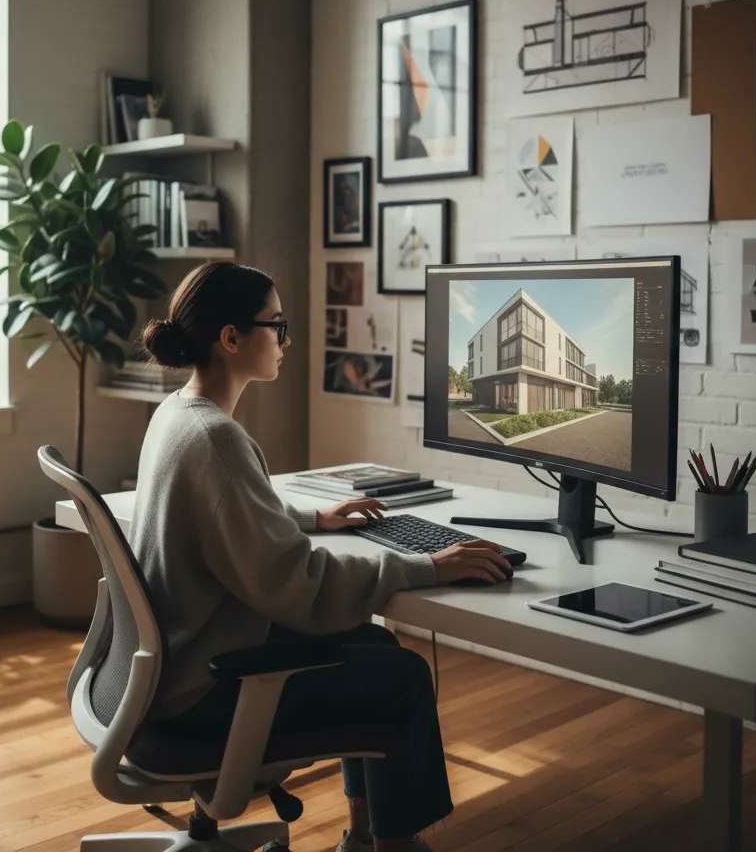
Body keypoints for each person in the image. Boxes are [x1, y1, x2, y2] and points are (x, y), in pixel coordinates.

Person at [132, 261, 513, 852]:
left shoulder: (178, 414)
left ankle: (361, 837)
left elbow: (228, 514)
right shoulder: (217, 437)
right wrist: (428, 565)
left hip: (174, 668)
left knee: (376, 643)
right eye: (277, 326)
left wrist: (314, 517)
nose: (286, 341)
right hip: (204, 693)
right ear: (231, 337)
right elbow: (299, 583)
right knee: (404, 679)